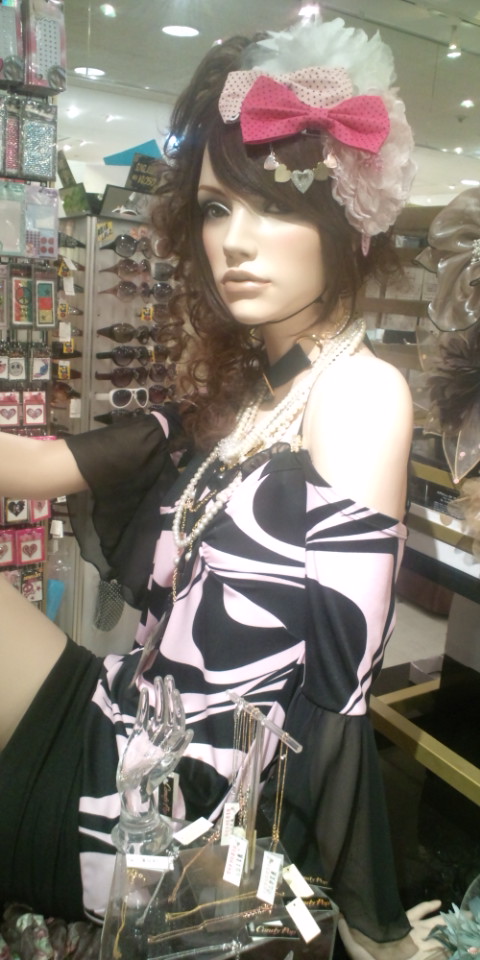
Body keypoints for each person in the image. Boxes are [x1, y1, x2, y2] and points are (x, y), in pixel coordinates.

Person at [0, 14, 443, 959]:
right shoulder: (247, 399)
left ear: (347, 214)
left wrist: (362, 926)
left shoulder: (359, 396)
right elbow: (38, 467)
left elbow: (339, 696)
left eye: (272, 205)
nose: (234, 242)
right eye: (213, 209)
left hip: (173, 809)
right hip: (127, 716)